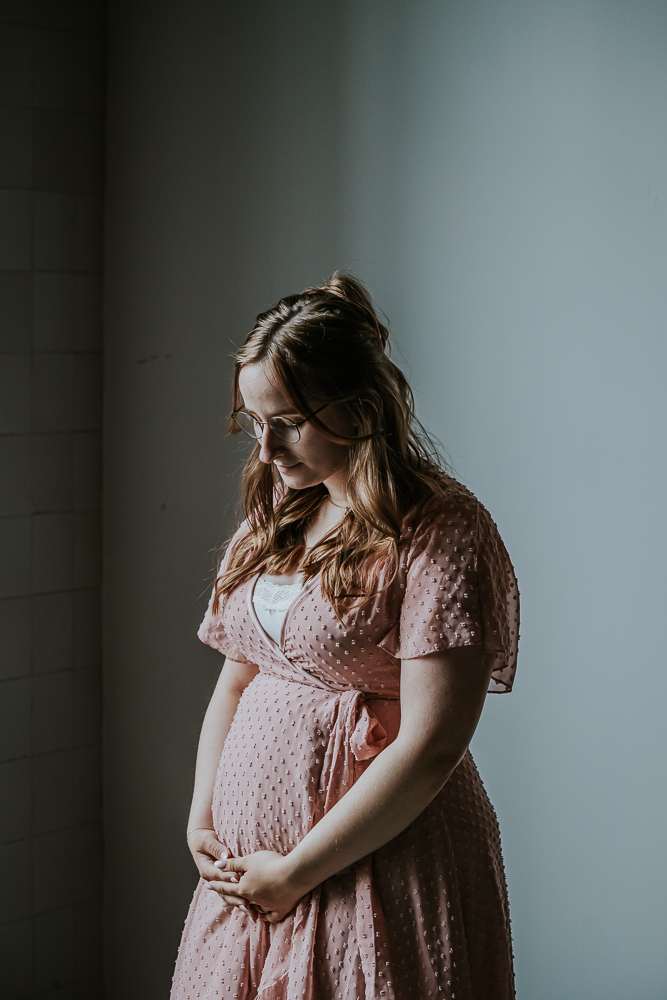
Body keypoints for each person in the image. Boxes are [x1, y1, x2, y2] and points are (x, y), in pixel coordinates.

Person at [170, 273, 519, 1000]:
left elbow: (432, 745)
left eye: (289, 421)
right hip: (250, 881)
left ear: (361, 406)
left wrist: (295, 872)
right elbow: (238, 676)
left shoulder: (439, 528)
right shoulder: (279, 508)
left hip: (379, 871)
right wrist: (203, 815)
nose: (265, 448)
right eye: (253, 421)